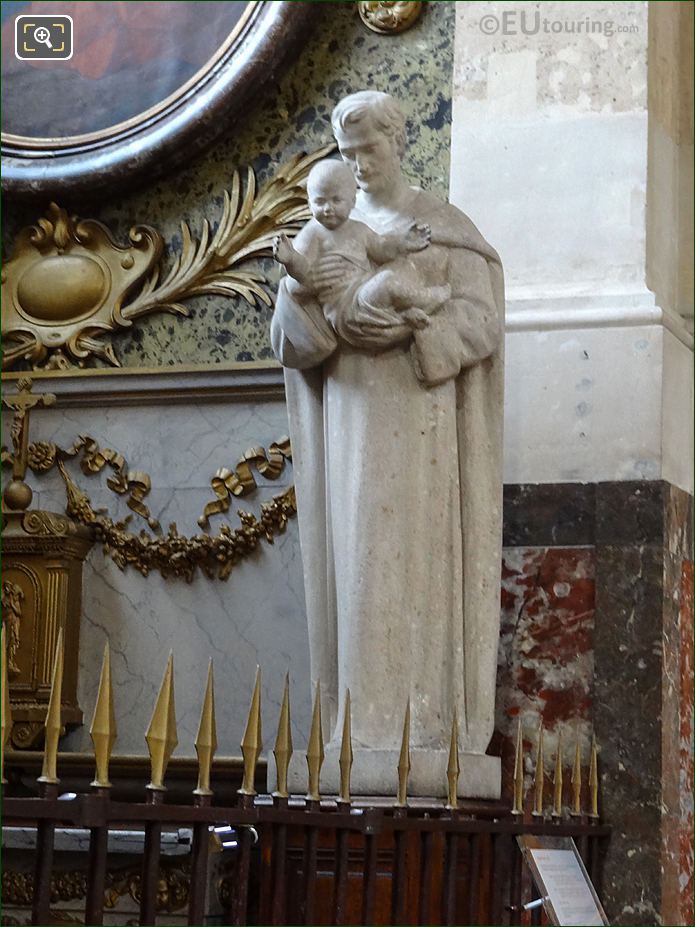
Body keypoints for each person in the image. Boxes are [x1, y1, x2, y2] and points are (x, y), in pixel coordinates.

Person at [271, 91, 505, 795]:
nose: (359, 166)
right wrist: (301, 297)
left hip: (420, 426)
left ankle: (422, 725)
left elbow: (480, 321)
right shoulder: (324, 228)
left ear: (398, 144)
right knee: (354, 567)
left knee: (415, 572)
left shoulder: (442, 228)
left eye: (370, 150)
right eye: (347, 155)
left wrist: (416, 332)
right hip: (347, 422)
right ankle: (353, 730)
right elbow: (291, 341)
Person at [273, 159, 450, 338]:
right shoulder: (312, 233)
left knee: (398, 271)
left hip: (365, 291)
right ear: (310, 204)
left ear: (352, 201)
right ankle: (428, 299)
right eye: (320, 201)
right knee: (388, 282)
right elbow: (304, 271)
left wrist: (403, 243)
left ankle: (404, 314)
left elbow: (380, 248)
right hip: (345, 308)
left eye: (336, 200)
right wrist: (291, 260)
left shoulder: (359, 229)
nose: (328, 208)